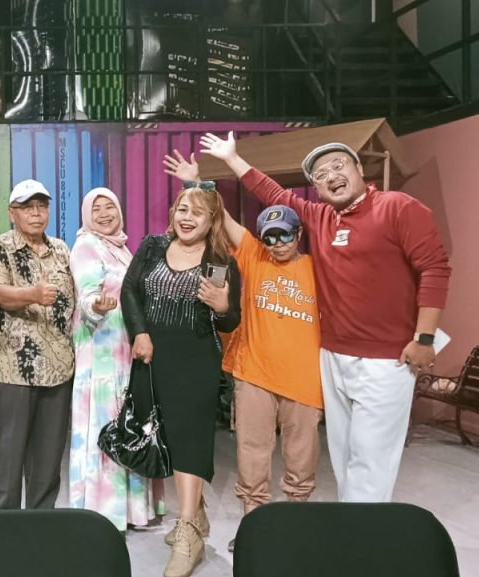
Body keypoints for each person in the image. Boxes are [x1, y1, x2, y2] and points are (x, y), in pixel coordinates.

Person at [200, 132, 451, 502]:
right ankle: (348, 525)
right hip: (332, 355)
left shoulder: (397, 206)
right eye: (320, 174)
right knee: (344, 455)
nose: (331, 175)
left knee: (371, 459)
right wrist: (232, 160)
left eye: (338, 165)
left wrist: (425, 338)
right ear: (316, 188)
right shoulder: (321, 218)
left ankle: (360, 534)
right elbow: (275, 195)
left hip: (387, 357)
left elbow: (435, 269)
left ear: (359, 168)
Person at [164, 151, 323, 553]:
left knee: (301, 458)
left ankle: (296, 526)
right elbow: (218, 217)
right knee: (252, 455)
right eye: (269, 236)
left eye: (284, 235)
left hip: (305, 381)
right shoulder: (253, 255)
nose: (277, 243)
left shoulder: (317, 268)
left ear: (298, 235)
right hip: (254, 374)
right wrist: (195, 183)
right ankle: (254, 528)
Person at [121, 183, 242, 577]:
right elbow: (130, 290)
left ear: (211, 221)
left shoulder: (219, 260)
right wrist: (139, 332)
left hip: (196, 361)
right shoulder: (152, 246)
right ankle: (198, 512)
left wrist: (222, 307)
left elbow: (229, 320)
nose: (188, 218)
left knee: (190, 440)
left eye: (198, 212)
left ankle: (188, 530)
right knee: (168, 439)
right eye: (182, 209)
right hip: (152, 357)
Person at [0, 179, 75, 511]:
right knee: (6, 458)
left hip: (59, 368)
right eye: (27, 207)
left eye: (42, 206)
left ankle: (40, 527)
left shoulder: (61, 249)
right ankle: (3, 530)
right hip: (12, 368)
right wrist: (32, 294)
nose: (36, 213)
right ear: (12, 213)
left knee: (48, 461)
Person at [68, 187, 154, 531]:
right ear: (87, 216)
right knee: (105, 424)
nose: (105, 214)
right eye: (97, 209)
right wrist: (97, 306)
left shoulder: (121, 248)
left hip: (125, 349)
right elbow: (87, 294)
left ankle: (131, 509)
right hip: (101, 353)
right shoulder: (86, 246)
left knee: (127, 422)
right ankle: (104, 510)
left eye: (110, 207)